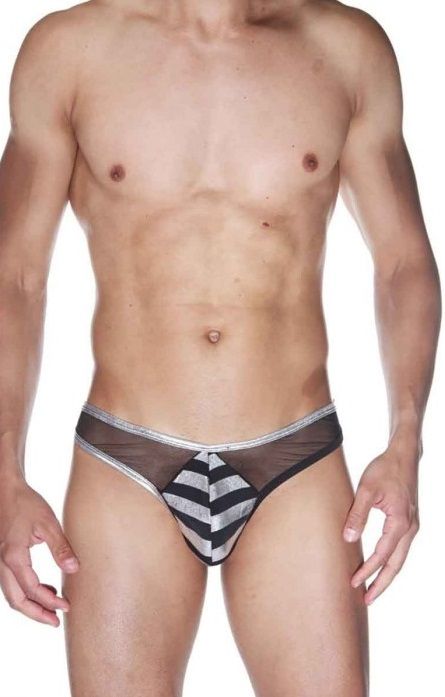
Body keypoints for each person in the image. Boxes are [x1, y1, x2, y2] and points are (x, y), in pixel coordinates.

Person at [0, 1, 441, 695]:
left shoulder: (345, 48)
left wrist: (405, 442)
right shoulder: (69, 50)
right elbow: (16, 278)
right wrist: (5, 473)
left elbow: (402, 262)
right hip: (127, 461)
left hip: (295, 459)